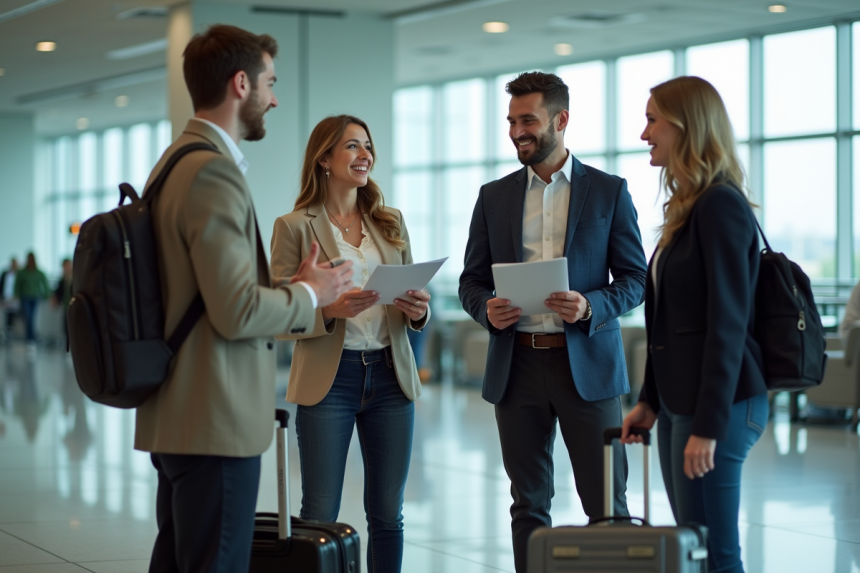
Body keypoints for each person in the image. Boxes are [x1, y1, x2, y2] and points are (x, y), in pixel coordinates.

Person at [133, 25, 354, 573]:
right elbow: (237, 312)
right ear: (240, 84)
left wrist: (290, 287)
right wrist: (310, 292)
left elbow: (208, 295)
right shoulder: (213, 173)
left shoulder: (172, 164)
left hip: (178, 411)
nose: (274, 97)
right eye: (269, 83)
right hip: (215, 416)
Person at [459, 71, 647, 573]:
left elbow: (635, 278)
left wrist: (590, 306)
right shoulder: (493, 197)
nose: (518, 131)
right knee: (528, 504)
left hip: (588, 368)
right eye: (512, 121)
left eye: (529, 120)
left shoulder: (608, 192)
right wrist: (486, 308)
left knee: (608, 504)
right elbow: (471, 282)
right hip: (516, 367)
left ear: (561, 120)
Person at [621, 76, 769, 573]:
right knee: (694, 544)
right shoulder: (687, 209)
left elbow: (728, 323)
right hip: (683, 401)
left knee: (716, 550)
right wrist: (649, 401)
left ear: (686, 127)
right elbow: (667, 323)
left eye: (652, 120)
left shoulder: (720, 205)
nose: (645, 134)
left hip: (720, 406)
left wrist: (708, 426)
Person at [270, 114, 430, 573]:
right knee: (319, 511)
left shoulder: (389, 220)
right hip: (330, 379)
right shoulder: (295, 226)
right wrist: (328, 311)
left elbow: (412, 295)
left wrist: (419, 311)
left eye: (368, 146)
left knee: (388, 512)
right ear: (324, 159)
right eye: (352, 147)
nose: (365, 156)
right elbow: (279, 313)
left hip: (390, 376)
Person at [14, 252, 50, 347]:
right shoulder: (22, 273)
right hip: (25, 297)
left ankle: (31, 338)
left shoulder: (38, 273)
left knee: (32, 318)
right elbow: (17, 285)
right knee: (28, 317)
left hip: (35, 297)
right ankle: (29, 338)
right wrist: (16, 295)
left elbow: (45, 285)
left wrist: (46, 296)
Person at [52, 258, 73, 347]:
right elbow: (58, 292)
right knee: (66, 325)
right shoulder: (62, 280)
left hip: (74, 305)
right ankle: (68, 343)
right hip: (66, 305)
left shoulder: (76, 277)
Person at [0, 257, 19, 340]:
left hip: (14, 298)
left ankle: (11, 332)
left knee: (12, 314)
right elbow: (1, 285)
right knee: (6, 314)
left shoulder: (18, 275)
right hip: (5, 297)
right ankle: (7, 333)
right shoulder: (5, 273)